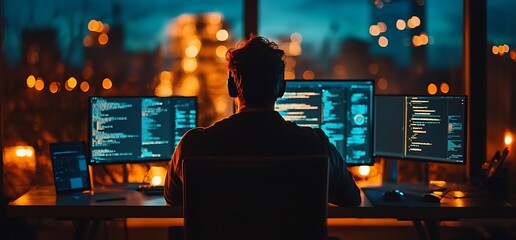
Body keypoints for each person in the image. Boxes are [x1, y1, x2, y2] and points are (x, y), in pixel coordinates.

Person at [164, 35, 361, 207]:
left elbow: (173, 200)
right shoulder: (316, 144)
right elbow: (351, 199)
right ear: (281, 88)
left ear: (232, 87)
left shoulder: (193, 146)